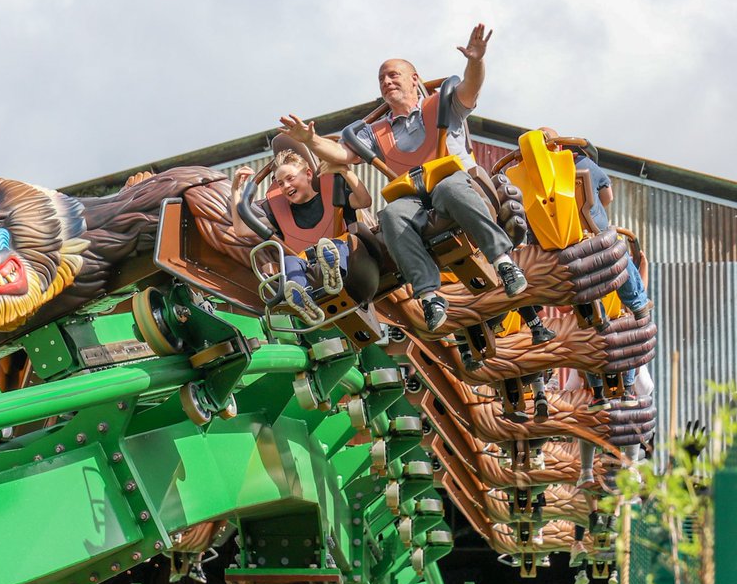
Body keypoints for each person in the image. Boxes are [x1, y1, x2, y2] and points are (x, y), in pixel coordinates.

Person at [280, 24, 528, 333]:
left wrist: (475, 60)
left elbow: (470, 87)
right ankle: (428, 295)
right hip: (414, 196)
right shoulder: (377, 131)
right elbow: (343, 155)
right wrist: (310, 139)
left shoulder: (441, 105)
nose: (386, 81)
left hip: (455, 182)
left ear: (414, 79)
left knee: (450, 188)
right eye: (382, 78)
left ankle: (503, 261)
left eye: (393, 75)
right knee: (393, 215)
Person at [540, 128, 652, 410]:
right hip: (594, 244)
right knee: (617, 253)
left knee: (594, 332)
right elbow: (607, 198)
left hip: (563, 253)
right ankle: (623, 387)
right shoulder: (582, 164)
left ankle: (605, 393)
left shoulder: (536, 179)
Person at [230, 142, 371, 323]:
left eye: (290, 178)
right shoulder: (281, 215)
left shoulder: (333, 194)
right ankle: (303, 298)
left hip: (348, 260)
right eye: (280, 183)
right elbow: (241, 229)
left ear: (308, 174)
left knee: (333, 246)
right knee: (289, 261)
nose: (286, 186)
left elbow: (364, 200)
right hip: (308, 266)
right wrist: (236, 190)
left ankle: (334, 274)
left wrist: (345, 171)